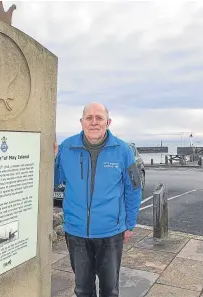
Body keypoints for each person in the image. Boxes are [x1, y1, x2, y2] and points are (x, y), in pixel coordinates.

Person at [54, 102, 143, 297]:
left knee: (110, 290)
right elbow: (53, 181)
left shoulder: (123, 150)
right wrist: (51, 159)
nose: (94, 122)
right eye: (89, 118)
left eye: (99, 118)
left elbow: (134, 189)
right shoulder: (66, 148)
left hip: (110, 233)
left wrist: (129, 224)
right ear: (81, 122)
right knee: (82, 289)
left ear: (108, 122)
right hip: (76, 233)